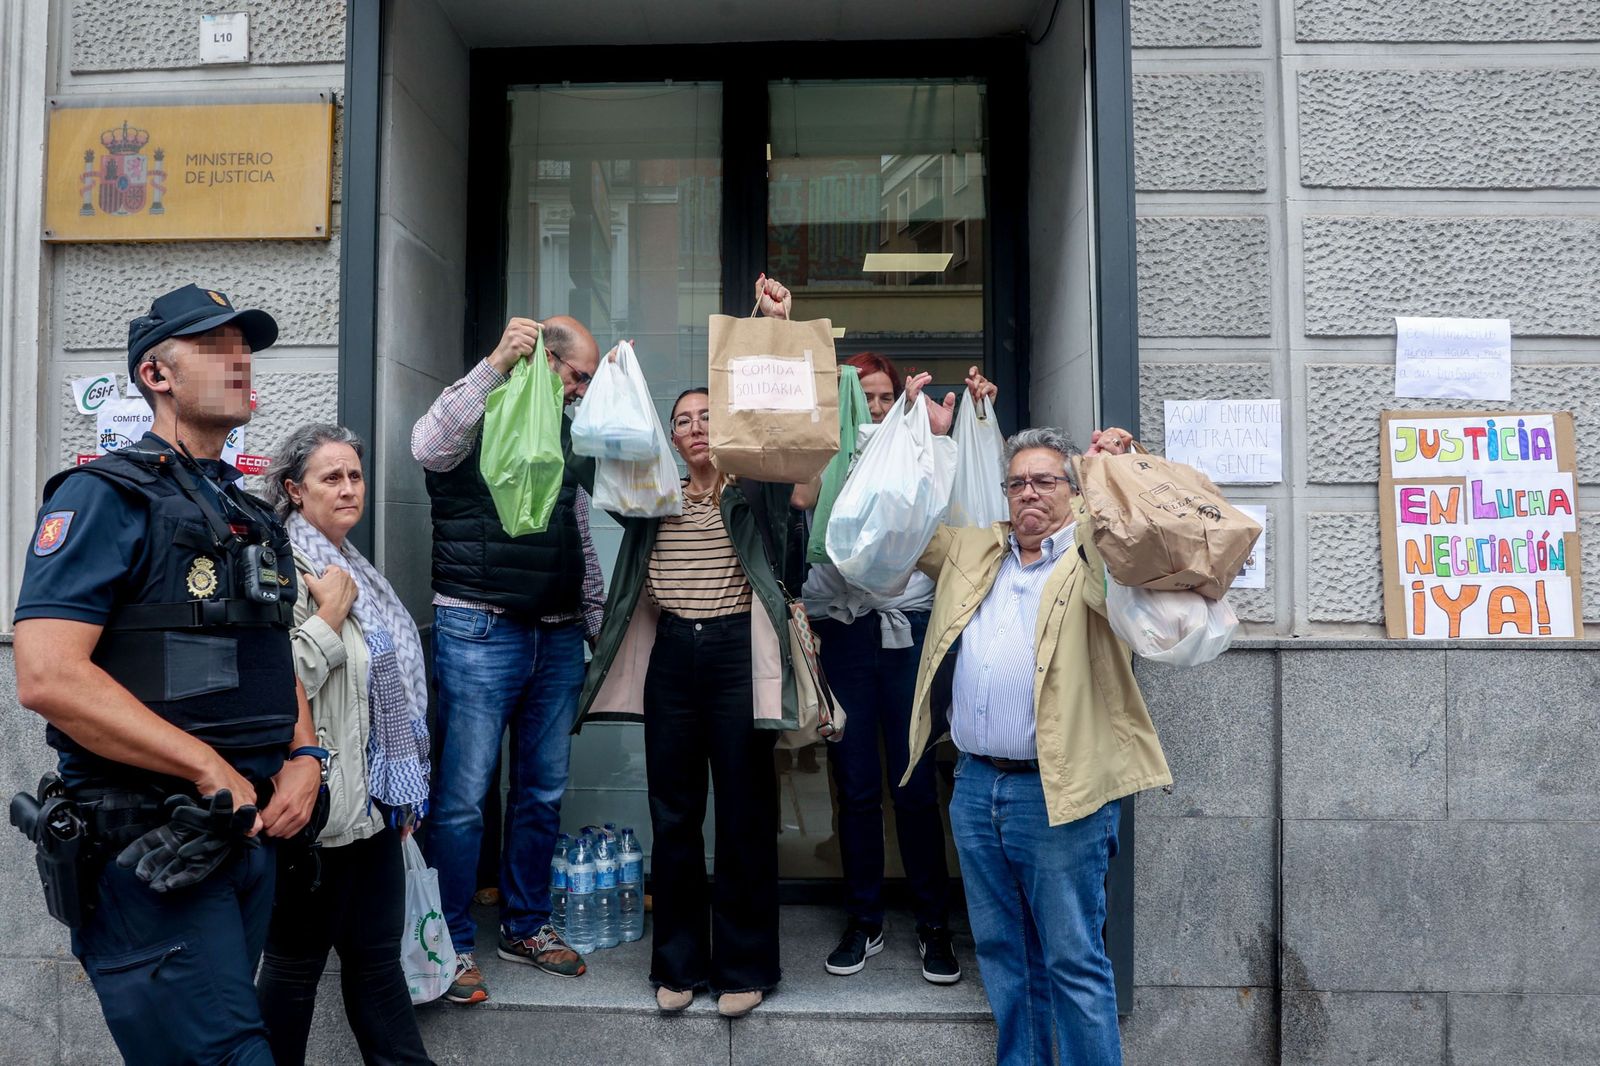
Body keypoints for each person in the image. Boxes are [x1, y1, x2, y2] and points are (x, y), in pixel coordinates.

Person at [10, 284, 323, 1065]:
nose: (240, 361)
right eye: (215, 347)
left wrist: (305, 755)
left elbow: (269, 650)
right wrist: (209, 768)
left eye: (244, 347)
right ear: (156, 374)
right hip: (150, 846)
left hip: (245, 836)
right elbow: (47, 676)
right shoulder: (103, 496)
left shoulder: (244, 510)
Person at [901, 423, 1172, 1066]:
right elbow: (893, 529)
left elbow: (1156, 537)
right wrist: (921, 440)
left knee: (1073, 960)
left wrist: (1125, 466)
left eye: (1045, 480)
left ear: (1074, 491)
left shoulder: (1097, 559)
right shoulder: (978, 554)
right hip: (975, 786)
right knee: (1004, 954)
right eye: (1017, 482)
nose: (1029, 492)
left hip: (1057, 790)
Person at [577, 276, 798, 1019]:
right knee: (673, 815)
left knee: (742, 815)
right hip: (672, 658)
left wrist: (772, 327)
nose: (697, 427)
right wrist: (604, 387)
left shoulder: (755, 490)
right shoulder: (651, 494)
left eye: (708, 416)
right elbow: (585, 460)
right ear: (669, 437)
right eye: (683, 420)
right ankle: (677, 966)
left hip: (737, 657)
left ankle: (745, 967)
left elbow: (782, 423)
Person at [412, 315, 607, 1004]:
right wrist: (495, 363)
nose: (581, 391)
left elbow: (578, 533)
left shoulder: (564, 432)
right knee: (463, 799)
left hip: (556, 634)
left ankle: (526, 926)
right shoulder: (481, 407)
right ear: (546, 360)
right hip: (478, 625)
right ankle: (449, 941)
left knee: (542, 790)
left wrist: (597, 626)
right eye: (578, 376)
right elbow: (427, 444)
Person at [792, 351, 983, 984]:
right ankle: (864, 920)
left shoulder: (920, 453)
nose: (873, 410)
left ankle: (933, 924)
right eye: (864, 398)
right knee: (855, 786)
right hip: (842, 633)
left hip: (909, 634)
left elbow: (953, 522)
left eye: (884, 398)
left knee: (915, 783)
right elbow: (803, 515)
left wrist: (946, 435)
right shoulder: (824, 453)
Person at [255, 424, 435, 1065]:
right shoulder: (281, 566)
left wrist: (400, 791)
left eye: (354, 475)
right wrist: (328, 618)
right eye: (331, 477)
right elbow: (270, 688)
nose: (348, 488)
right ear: (293, 490)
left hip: (376, 809)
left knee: (378, 966)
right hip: (314, 814)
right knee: (292, 974)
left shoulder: (353, 567)